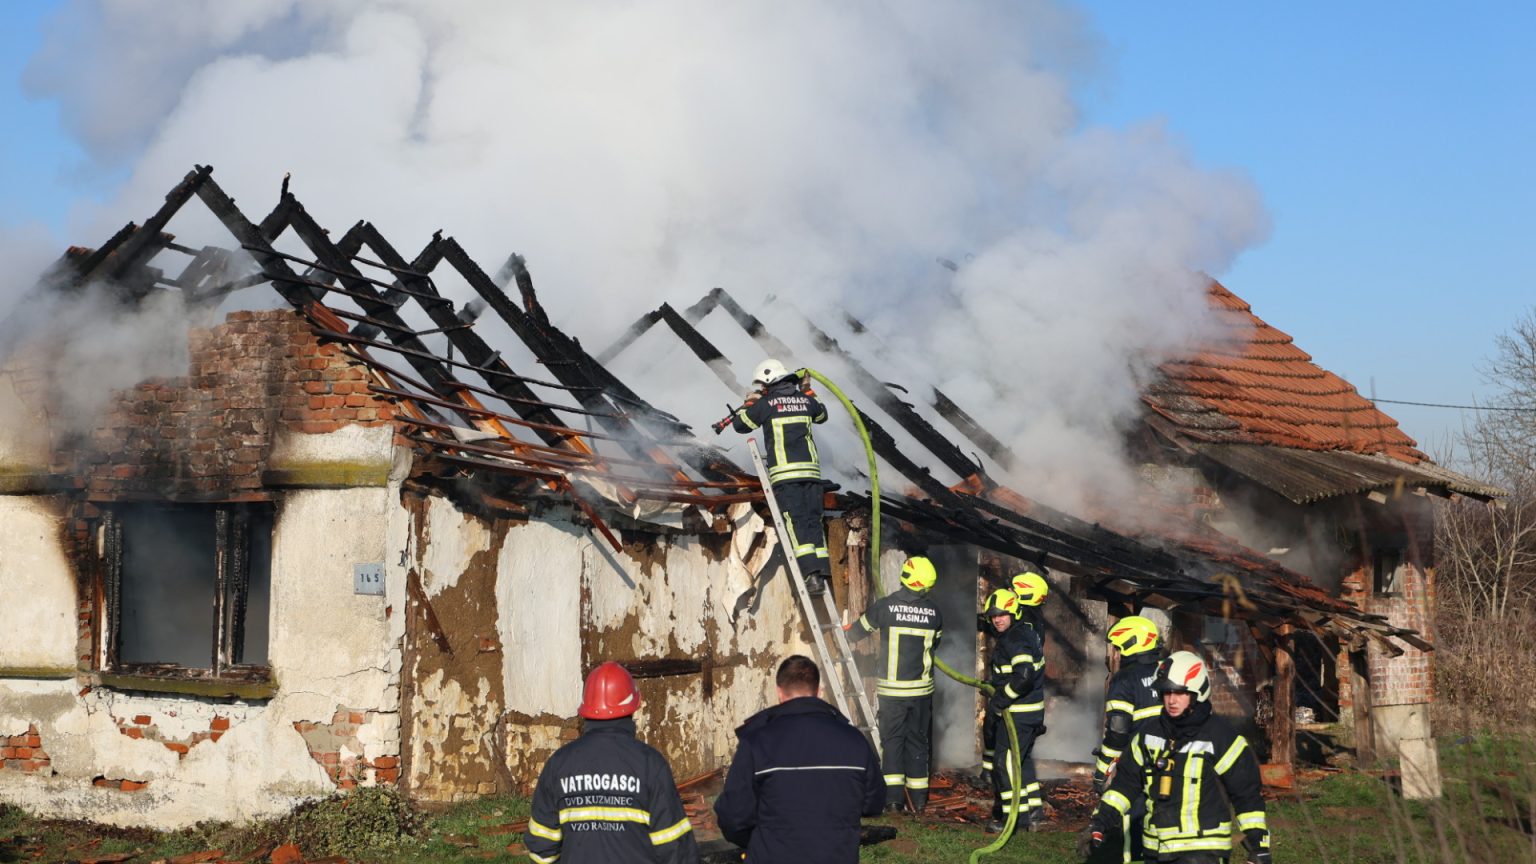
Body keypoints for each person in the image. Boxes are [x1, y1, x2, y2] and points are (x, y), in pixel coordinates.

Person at [1085, 650, 1273, 864]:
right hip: (1155, 852)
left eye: (1180, 693)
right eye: (1166, 692)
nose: (1172, 700)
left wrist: (1258, 846)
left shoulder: (1222, 739)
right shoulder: (1148, 736)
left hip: (1203, 852)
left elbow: (1246, 795)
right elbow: (1124, 786)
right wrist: (1099, 822)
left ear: (1197, 692)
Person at [714, 655, 884, 864]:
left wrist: (759, 842)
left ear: (779, 692)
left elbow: (733, 817)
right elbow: (873, 804)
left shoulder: (756, 742)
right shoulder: (855, 740)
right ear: (819, 692)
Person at [525, 662, 698, 864]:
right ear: (633, 707)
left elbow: (541, 850)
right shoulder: (650, 765)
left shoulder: (558, 765)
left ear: (586, 708)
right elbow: (677, 850)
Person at [848, 555, 944, 812]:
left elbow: (857, 632)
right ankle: (918, 801)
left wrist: (845, 632)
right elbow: (935, 643)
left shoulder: (885, 607)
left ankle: (893, 801)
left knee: (892, 742)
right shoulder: (934, 612)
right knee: (918, 743)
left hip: (892, 692)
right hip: (921, 692)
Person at [729, 358, 831, 595]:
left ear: (768, 381)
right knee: (813, 520)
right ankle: (822, 571)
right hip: (811, 474)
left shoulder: (766, 404)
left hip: (786, 475)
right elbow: (822, 415)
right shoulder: (805, 400)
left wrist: (749, 402)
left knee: (796, 523)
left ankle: (811, 576)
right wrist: (807, 389)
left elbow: (740, 425)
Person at [1090, 615, 1166, 864]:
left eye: (1119, 648)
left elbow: (1118, 733)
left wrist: (1102, 770)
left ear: (1132, 644)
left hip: (1139, 765)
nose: (1116, 654)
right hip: (1175, 763)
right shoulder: (1169, 670)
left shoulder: (1124, 680)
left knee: (1134, 824)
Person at [980, 587, 1046, 834]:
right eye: (993, 616)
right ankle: (1032, 813)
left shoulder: (1015, 639)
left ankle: (1012, 819)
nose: (997, 619)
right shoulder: (1023, 632)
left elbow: (1024, 676)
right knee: (1021, 761)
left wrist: (1001, 699)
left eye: (1002, 614)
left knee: (1003, 763)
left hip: (1019, 713)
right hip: (1029, 712)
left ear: (1014, 613)